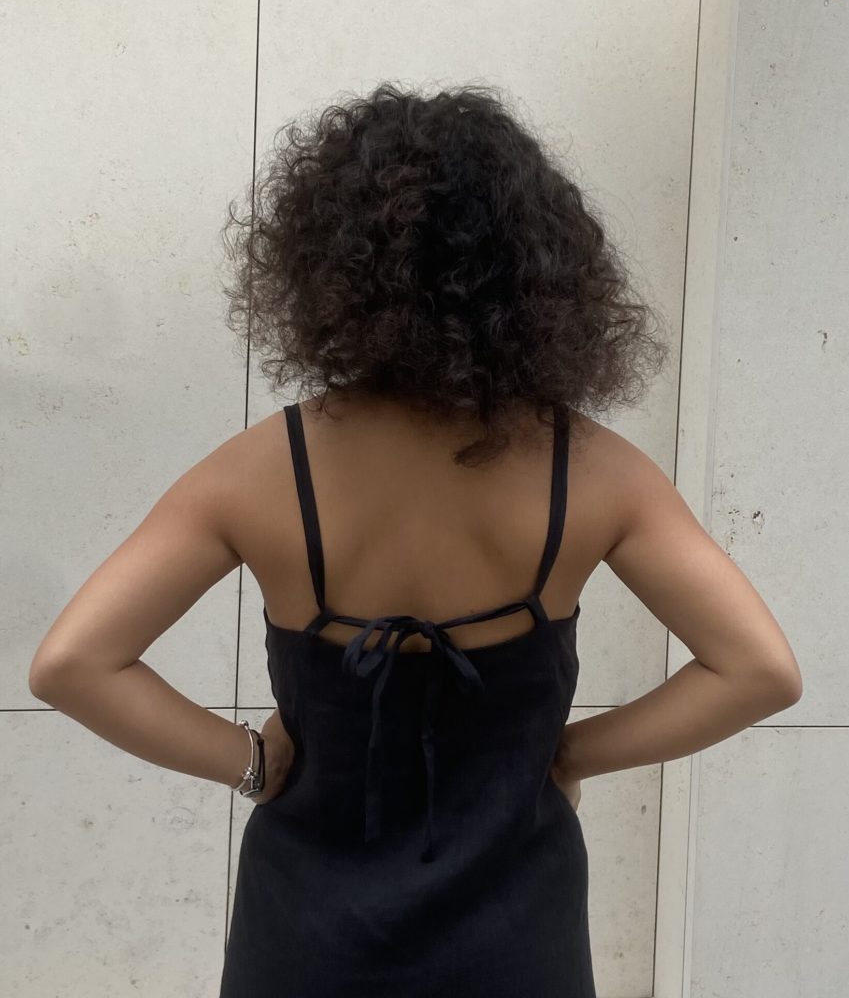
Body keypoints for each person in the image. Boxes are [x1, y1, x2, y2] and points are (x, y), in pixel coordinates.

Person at [29, 81, 802, 998]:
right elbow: (759, 670)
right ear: (540, 270)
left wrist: (252, 763)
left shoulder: (258, 471)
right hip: (519, 939)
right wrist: (568, 754)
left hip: (305, 937)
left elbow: (72, 664)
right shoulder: (593, 472)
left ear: (325, 268)